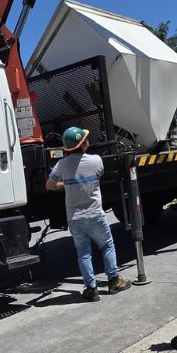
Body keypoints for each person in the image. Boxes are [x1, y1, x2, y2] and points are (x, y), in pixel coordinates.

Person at [46, 126, 132, 302]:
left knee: (83, 253)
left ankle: (91, 289)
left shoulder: (62, 164)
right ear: (83, 144)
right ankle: (114, 281)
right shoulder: (96, 161)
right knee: (107, 246)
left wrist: (66, 184)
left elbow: (49, 185)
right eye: (86, 139)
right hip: (95, 214)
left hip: (74, 218)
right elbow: (97, 176)